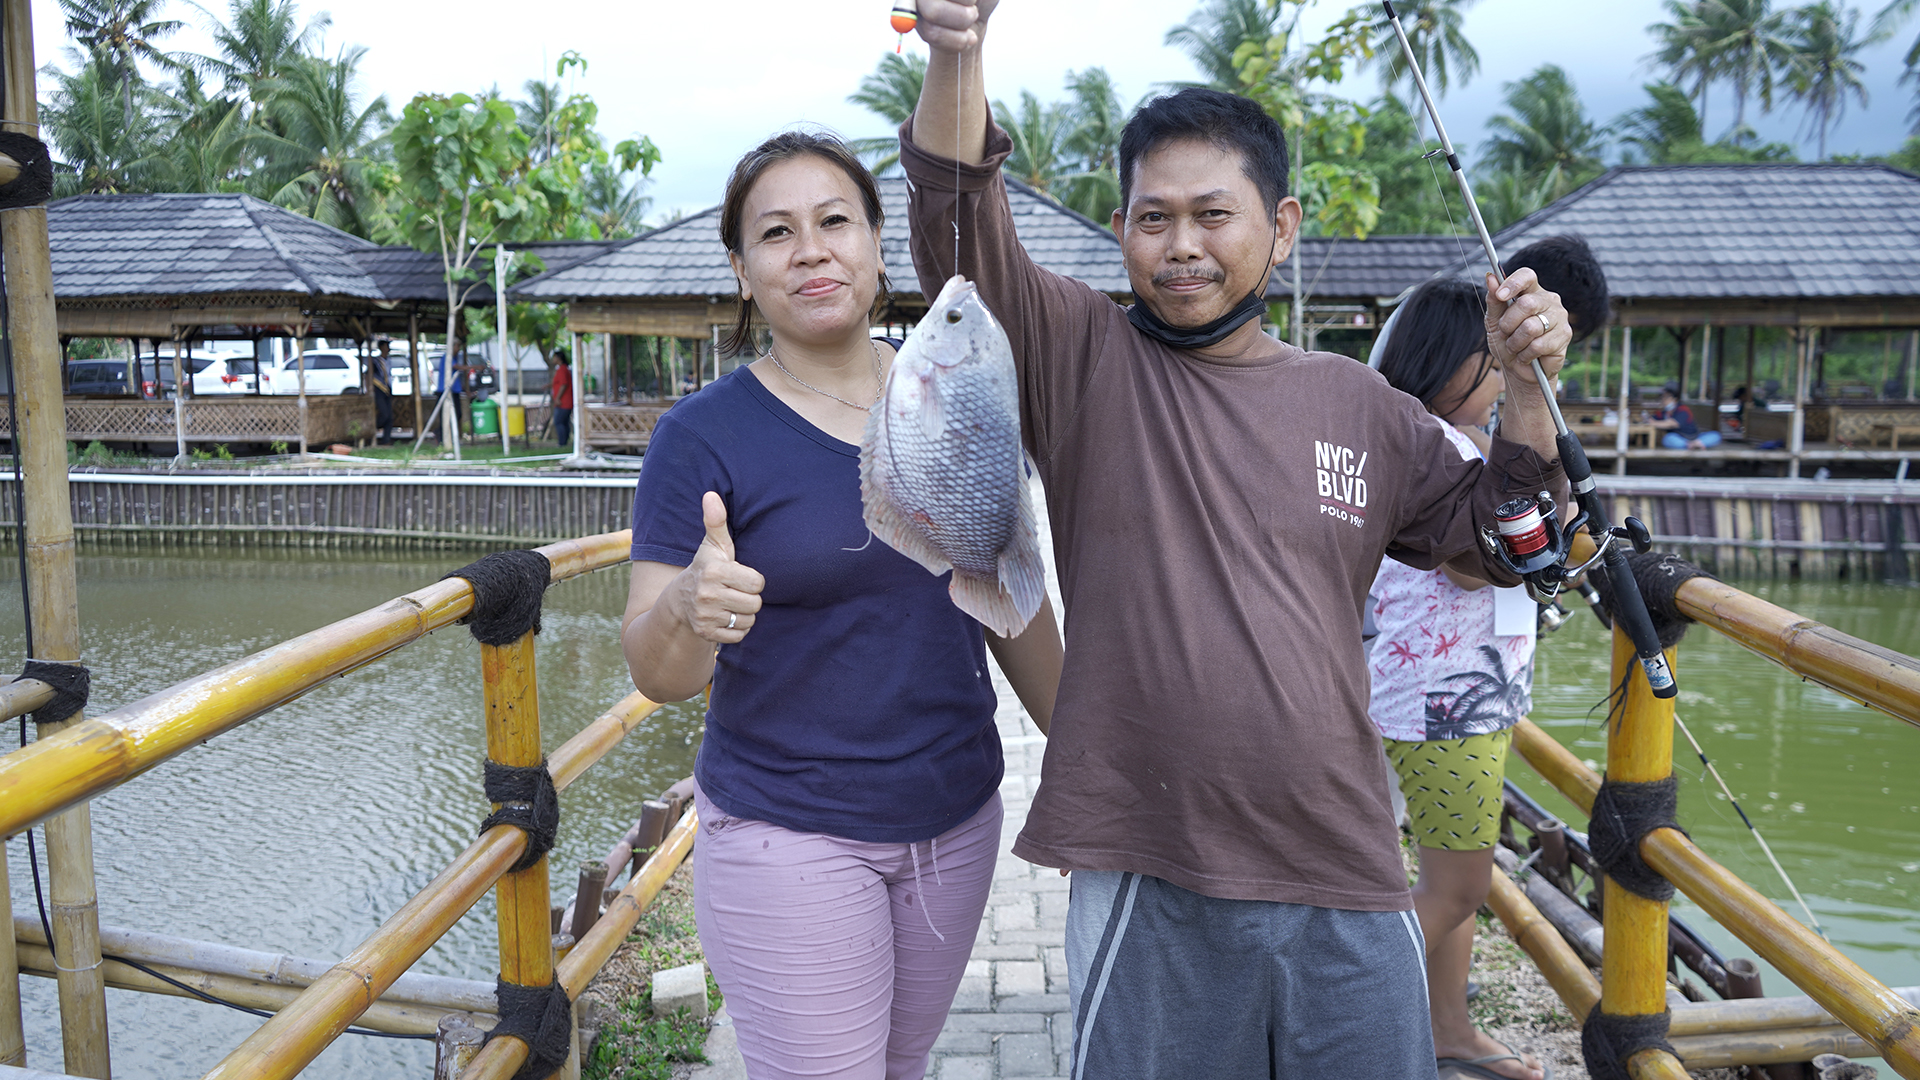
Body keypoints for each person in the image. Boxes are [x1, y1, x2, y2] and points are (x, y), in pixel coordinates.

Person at [904, 3, 1574, 1075]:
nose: (1182, 246)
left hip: (1345, 857)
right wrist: (957, 52)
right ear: (1120, 230)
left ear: (1284, 225)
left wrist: (1529, 393)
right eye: (1152, 217)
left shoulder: (1362, 405)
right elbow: (953, 217)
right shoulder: (1081, 361)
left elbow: (1512, 547)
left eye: (1214, 214)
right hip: (1149, 859)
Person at [619, 130, 1065, 1080]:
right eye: (776, 233)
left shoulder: (955, 383)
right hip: (790, 828)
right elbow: (657, 675)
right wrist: (689, 609)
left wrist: (1087, 766)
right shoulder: (700, 438)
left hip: (956, 815)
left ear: (874, 246)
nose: (811, 249)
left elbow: (1007, 591)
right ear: (743, 271)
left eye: (834, 222)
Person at [1370, 278, 1547, 1080]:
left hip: (1415, 696)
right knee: (1457, 889)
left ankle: (1449, 1029)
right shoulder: (1460, 452)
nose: (1500, 376)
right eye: (1492, 361)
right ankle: (1321, 1005)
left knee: (1447, 868)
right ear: (1455, 363)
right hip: (1450, 707)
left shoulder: (1393, 439)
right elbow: (1497, 567)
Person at [1649, 382, 1721, 449]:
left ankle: (1697, 443)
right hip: (1679, 439)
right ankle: (1690, 445)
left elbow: (1673, 423)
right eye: (1662, 398)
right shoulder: (1663, 413)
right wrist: (1648, 419)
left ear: (1675, 399)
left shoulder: (1683, 409)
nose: (1663, 400)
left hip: (1694, 437)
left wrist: (1653, 423)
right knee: (1667, 438)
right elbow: (1651, 419)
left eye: (1666, 398)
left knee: (1716, 435)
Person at [370, 340, 394, 444]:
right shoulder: (375, 362)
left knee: (390, 417)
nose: (388, 348)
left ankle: (386, 440)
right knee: (384, 414)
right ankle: (371, 428)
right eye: (386, 346)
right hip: (379, 390)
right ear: (381, 347)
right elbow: (370, 376)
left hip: (388, 390)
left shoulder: (389, 360)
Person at [550, 347, 574, 448]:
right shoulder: (562, 369)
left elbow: (564, 384)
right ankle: (564, 442)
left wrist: (558, 398)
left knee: (559, 421)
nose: (553, 360)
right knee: (564, 422)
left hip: (564, 402)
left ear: (558, 358)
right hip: (564, 401)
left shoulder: (563, 369)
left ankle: (562, 442)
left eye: (554, 357)